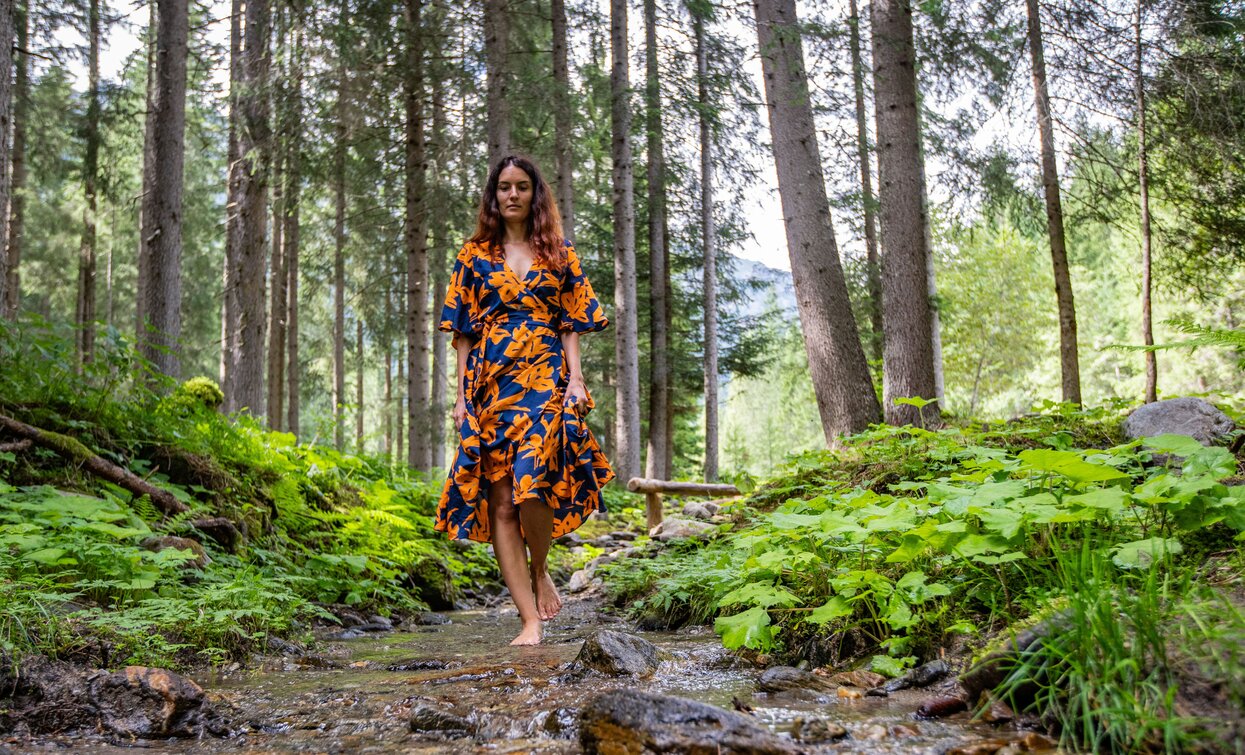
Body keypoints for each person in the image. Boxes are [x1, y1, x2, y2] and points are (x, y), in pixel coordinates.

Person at [435, 155, 614, 645]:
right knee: (501, 503)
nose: (512, 195)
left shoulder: (558, 251)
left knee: (532, 485)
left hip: (546, 378)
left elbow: (572, 322)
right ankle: (530, 620)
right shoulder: (473, 255)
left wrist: (576, 380)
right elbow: (463, 332)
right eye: (504, 187)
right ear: (493, 196)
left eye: (521, 187)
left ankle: (540, 569)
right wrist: (460, 397)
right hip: (490, 383)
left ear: (536, 194)